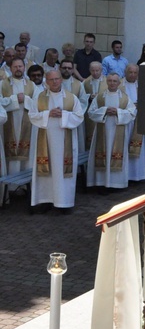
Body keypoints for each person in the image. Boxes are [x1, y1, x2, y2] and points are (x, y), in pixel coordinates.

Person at [27, 70, 84, 213]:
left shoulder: (71, 98)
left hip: (66, 142)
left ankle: (64, 203)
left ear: (61, 80)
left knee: (62, 173)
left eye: (57, 79)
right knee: (47, 172)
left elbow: (79, 116)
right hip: (45, 142)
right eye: (51, 79)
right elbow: (32, 116)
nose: (54, 82)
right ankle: (46, 201)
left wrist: (63, 115)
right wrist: (48, 114)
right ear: (46, 81)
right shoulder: (39, 98)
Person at [87, 73, 137, 190]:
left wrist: (118, 112)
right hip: (102, 131)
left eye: (115, 81)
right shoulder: (100, 97)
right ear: (106, 82)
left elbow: (132, 113)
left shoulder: (124, 98)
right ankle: (101, 182)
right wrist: (104, 111)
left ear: (119, 83)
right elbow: (91, 112)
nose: (112, 83)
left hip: (118, 131)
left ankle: (116, 183)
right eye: (110, 81)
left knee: (115, 154)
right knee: (102, 154)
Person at [0, 58, 35, 175]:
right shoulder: (2, 84)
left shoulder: (31, 84)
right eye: (15, 67)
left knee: (26, 154)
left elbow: (38, 103)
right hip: (8, 123)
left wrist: (26, 99)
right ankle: (10, 187)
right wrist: (15, 99)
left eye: (20, 66)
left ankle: (25, 185)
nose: (18, 69)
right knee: (10, 154)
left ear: (24, 67)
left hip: (27, 123)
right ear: (10, 68)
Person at [59, 59, 88, 152]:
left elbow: (83, 101)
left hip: (73, 119)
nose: (66, 70)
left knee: (74, 146)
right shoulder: (53, 82)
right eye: (64, 68)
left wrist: (73, 113)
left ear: (72, 70)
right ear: (60, 68)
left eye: (69, 68)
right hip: (58, 118)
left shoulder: (79, 84)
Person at [83, 61, 105, 149]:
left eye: (97, 70)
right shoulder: (85, 82)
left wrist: (99, 97)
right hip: (90, 113)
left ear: (101, 70)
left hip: (102, 112)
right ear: (89, 70)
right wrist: (89, 97)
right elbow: (82, 97)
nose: (95, 73)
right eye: (93, 71)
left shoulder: (108, 81)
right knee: (90, 133)